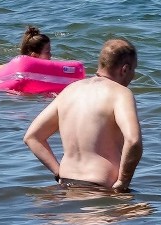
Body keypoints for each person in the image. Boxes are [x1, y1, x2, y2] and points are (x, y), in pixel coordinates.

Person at [23, 38, 142, 192]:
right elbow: (133, 141)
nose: (133, 76)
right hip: (100, 189)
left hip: (66, 185)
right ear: (124, 69)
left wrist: (58, 172)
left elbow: (32, 137)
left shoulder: (70, 90)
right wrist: (122, 182)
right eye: (133, 70)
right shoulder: (120, 94)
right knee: (147, 211)